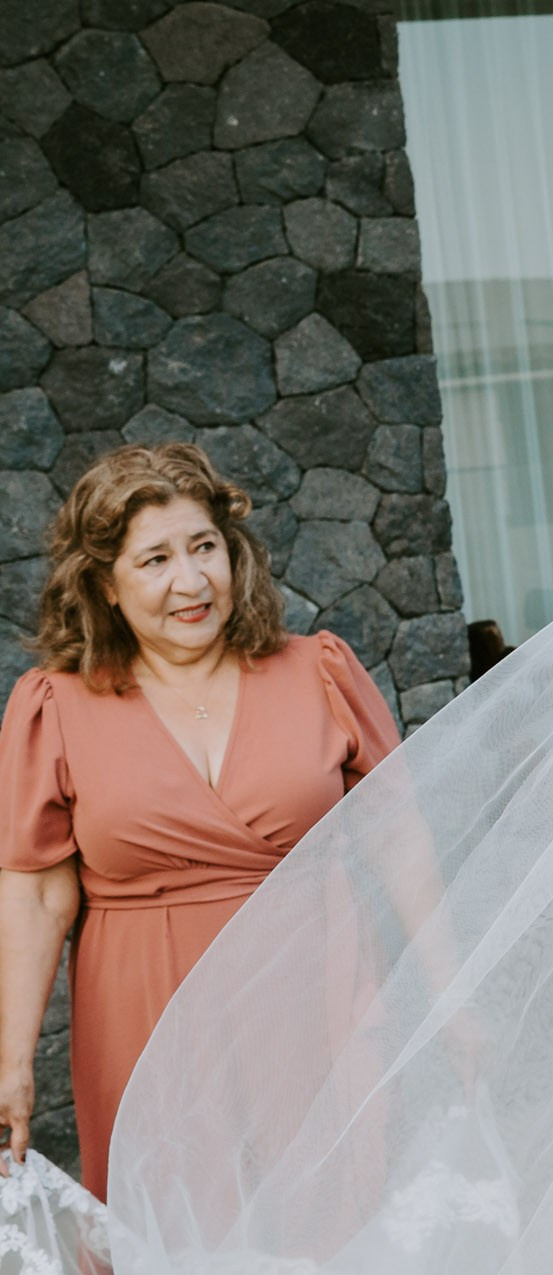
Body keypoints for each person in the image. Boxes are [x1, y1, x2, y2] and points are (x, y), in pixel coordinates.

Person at [0, 444, 400, 1199]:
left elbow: (401, 841)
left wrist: (455, 998)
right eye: (154, 559)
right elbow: (37, 895)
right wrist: (10, 1063)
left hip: (312, 995)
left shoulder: (319, 670)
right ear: (106, 586)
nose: (191, 581)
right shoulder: (55, 706)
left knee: (332, 1215)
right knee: (176, 1233)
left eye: (205, 547)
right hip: (145, 1017)